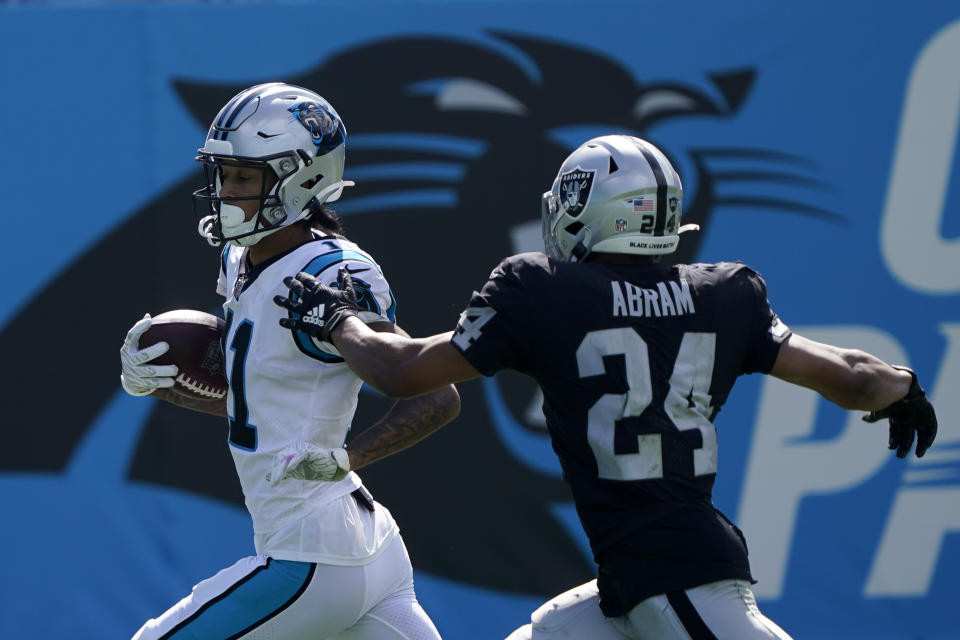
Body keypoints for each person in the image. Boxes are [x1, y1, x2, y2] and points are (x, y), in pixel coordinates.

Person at [270, 134, 937, 639]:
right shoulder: (723, 294)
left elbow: (401, 370)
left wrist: (337, 319)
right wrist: (902, 387)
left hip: (674, 573)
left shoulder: (545, 292)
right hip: (644, 576)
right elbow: (854, 379)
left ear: (591, 211)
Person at [118, 82, 459, 640]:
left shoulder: (331, 271)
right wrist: (160, 383)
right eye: (223, 174)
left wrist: (347, 457)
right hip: (361, 550)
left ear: (303, 177)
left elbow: (435, 393)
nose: (227, 191)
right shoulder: (242, 260)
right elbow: (260, 397)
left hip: (312, 555)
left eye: (245, 176)